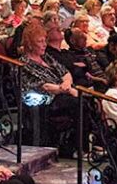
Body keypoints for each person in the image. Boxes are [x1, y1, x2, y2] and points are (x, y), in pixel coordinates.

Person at [18, 23, 79, 155]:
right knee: (78, 103)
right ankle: (78, 147)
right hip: (46, 100)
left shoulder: (46, 57)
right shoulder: (24, 63)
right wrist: (68, 90)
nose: (44, 44)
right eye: (40, 41)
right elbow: (44, 86)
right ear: (29, 44)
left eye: (45, 40)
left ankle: (83, 144)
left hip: (62, 93)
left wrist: (67, 83)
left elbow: (65, 72)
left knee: (88, 101)